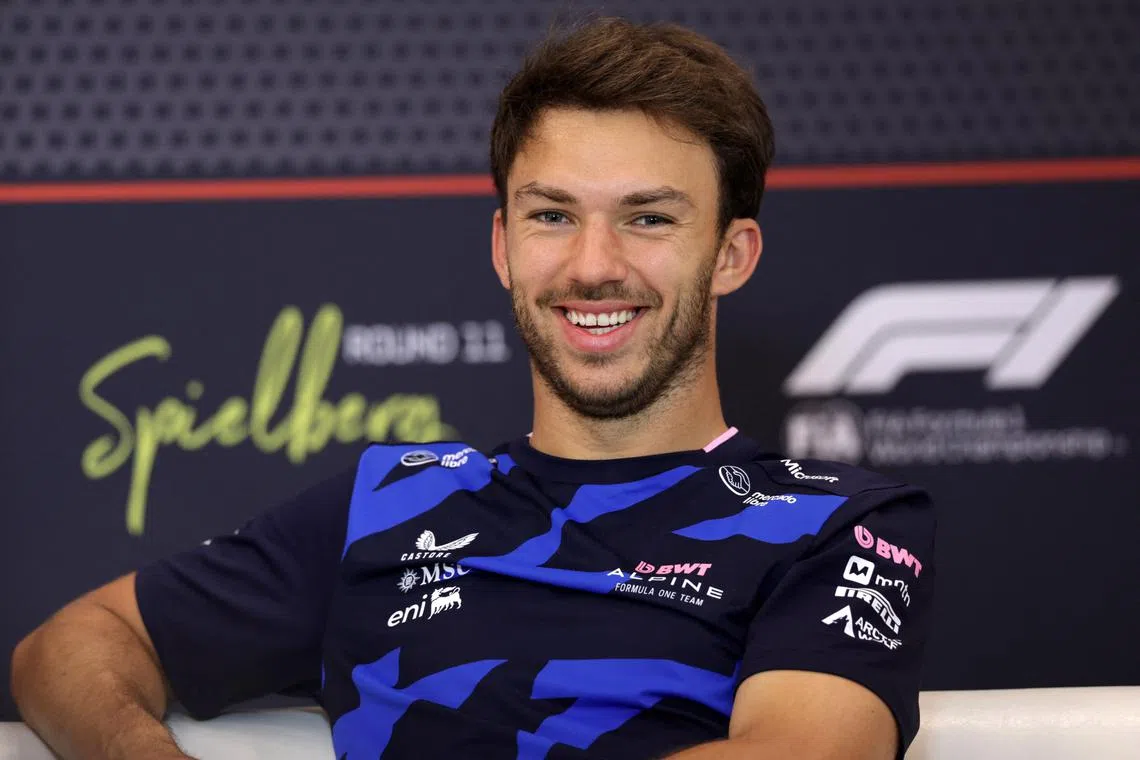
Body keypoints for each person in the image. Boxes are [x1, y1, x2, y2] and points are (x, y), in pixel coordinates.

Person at [11, 17, 935, 760]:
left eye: (649, 217)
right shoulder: (389, 502)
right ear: (502, 246)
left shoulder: (839, 524)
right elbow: (67, 650)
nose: (594, 264)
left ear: (731, 254)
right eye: (552, 216)